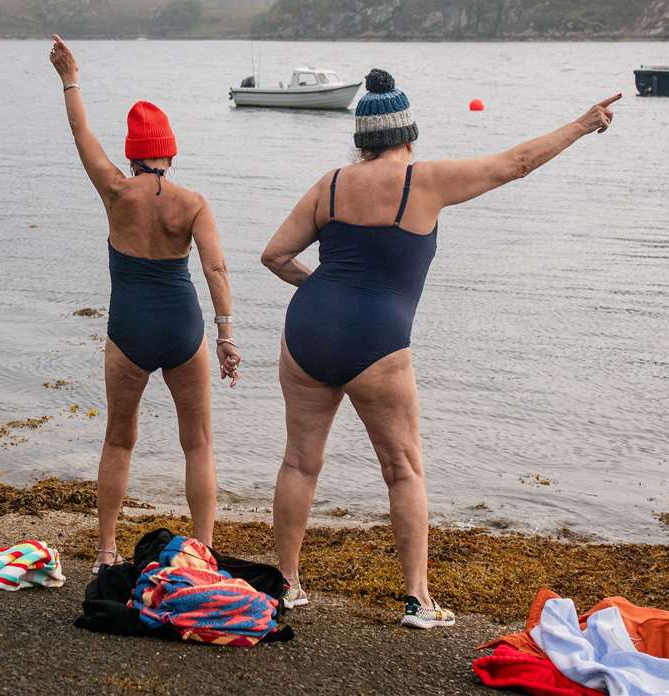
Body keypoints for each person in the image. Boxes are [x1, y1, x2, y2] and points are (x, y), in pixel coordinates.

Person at [260, 68, 620, 629]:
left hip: (306, 331)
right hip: (376, 341)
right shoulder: (423, 180)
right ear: (409, 136)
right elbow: (514, 164)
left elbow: (275, 256)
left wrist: (328, 292)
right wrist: (580, 124)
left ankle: (286, 585)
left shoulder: (329, 184)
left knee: (299, 461)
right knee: (403, 470)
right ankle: (418, 601)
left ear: (361, 140)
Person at [48, 35, 241, 571]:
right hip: (182, 326)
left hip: (129, 328)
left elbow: (80, 132)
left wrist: (70, 77)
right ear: (171, 152)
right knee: (198, 443)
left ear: (133, 153)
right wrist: (225, 335)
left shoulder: (114, 190)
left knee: (119, 441)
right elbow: (216, 268)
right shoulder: (194, 203)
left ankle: (107, 552)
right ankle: (201, 552)